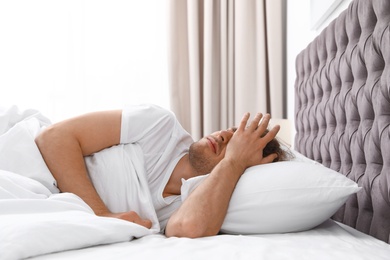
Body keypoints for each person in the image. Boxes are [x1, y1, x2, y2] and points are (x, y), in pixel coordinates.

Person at [35, 104, 285, 238]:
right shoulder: (160, 126)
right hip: (30, 161)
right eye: (232, 130)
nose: (222, 136)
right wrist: (101, 215)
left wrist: (233, 163)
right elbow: (54, 137)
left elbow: (186, 229)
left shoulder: (198, 200)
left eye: (234, 144)